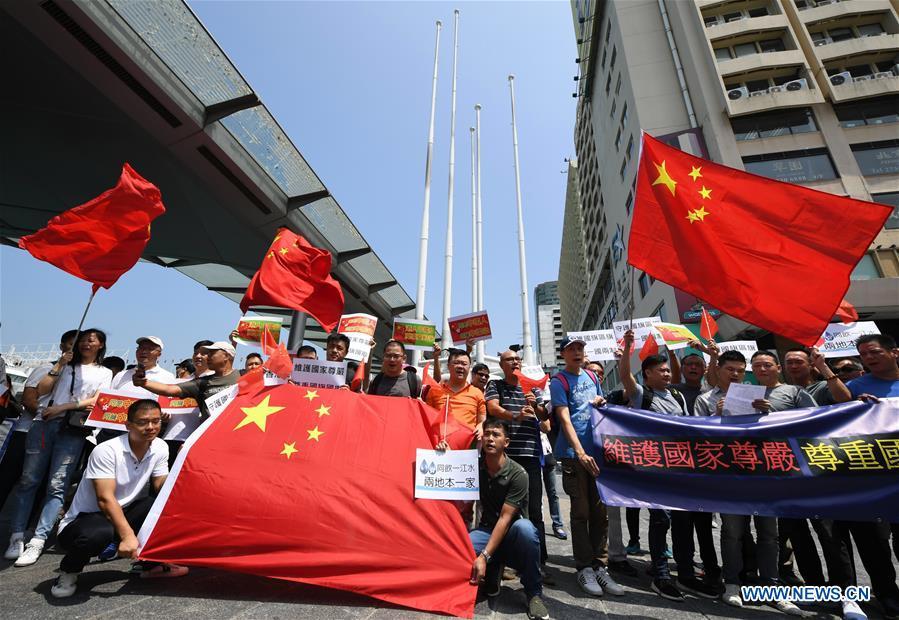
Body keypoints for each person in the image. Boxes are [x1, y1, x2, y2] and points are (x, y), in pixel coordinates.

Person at [50, 399, 188, 597]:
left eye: (156, 421)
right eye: (143, 422)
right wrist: (127, 536)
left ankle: (150, 565)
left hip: (123, 512)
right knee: (97, 534)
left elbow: (160, 486)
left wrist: (180, 466)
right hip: (86, 520)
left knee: (159, 507)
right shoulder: (106, 450)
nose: (151, 427)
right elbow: (105, 499)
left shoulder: (160, 447)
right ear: (128, 425)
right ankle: (69, 571)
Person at [620, 330, 716, 600]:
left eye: (666, 370)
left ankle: (685, 574)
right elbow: (626, 376)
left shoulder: (678, 396)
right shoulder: (642, 395)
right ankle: (661, 575)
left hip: (682, 468)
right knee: (661, 520)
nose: (665, 374)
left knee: (683, 522)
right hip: (654, 468)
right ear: (647, 374)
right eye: (659, 370)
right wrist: (628, 350)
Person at [5, 329, 113, 567]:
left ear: (101, 345)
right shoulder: (61, 365)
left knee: (57, 485)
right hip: (42, 426)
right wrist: (59, 366)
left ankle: (38, 538)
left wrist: (63, 407)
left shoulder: (104, 372)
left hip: (72, 430)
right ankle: (16, 535)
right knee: (28, 480)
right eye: (83, 340)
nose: (86, 343)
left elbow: (97, 399)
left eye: (91, 340)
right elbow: (41, 391)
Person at [550, 336, 618, 598]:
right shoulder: (560, 381)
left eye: (580, 348)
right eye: (571, 349)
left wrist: (601, 402)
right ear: (563, 354)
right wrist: (579, 452)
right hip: (573, 456)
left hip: (598, 454)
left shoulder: (592, 377)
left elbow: (600, 405)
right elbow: (564, 419)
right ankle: (584, 568)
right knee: (581, 512)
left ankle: (601, 566)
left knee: (601, 514)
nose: (577, 352)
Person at [485, 350, 557, 583]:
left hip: (531, 456)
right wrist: (514, 415)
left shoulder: (533, 389)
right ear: (501, 364)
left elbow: (546, 424)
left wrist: (535, 408)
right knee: (503, 511)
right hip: (505, 459)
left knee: (534, 510)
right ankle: (502, 563)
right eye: (509, 359)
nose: (515, 362)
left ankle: (537, 562)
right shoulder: (496, 384)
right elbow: (493, 409)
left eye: (517, 359)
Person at [468, 418, 549, 620]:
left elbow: (505, 518)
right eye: (487, 434)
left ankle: (533, 594)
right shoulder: (474, 468)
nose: (490, 439)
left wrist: (484, 556)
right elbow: (452, 472)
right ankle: (495, 568)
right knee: (464, 546)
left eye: (496, 435)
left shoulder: (518, 474)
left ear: (507, 442)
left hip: (513, 535)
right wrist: (442, 451)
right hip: (487, 530)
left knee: (526, 529)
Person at [0, 330, 76, 514]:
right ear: (62, 346)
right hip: (27, 432)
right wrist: (46, 415)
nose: (75, 349)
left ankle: (23, 531)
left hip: (56, 438)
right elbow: (28, 399)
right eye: (71, 344)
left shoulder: (80, 375)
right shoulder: (44, 368)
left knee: (40, 485)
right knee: (7, 479)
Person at [135, 342, 239, 418]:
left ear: (226, 356)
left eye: (211, 354)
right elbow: (168, 389)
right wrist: (143, 382)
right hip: (210, 436)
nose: (207, 357)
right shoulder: (201, 383)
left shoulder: (244, 376)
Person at [424, 349, 486, 440]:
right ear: (448, 366)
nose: (460, 366)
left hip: (467, 446)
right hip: (439, 445)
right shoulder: (434, 391)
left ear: (469, 367)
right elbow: (427, 418)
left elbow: (482, 420)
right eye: (456, 363)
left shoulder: (477, 393)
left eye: (464, 364)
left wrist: (481, 427)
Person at [783, 346, 851, 406]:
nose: (793, 366)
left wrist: (821, 365)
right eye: (789, 363)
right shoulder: (783, 391)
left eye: (799, 362)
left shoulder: (823, 387)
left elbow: (845, 399)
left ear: (811, 365)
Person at [111, 337, 176, 394]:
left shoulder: (168, 377)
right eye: (141, 348)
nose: (144, 351)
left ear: (159, 354)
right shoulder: (121, 376)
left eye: (150, 349)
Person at [847, 334, 899, 399]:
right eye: (863, 354)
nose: (868, 357)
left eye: (875, 352)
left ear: (895, 353)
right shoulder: (852, 386)